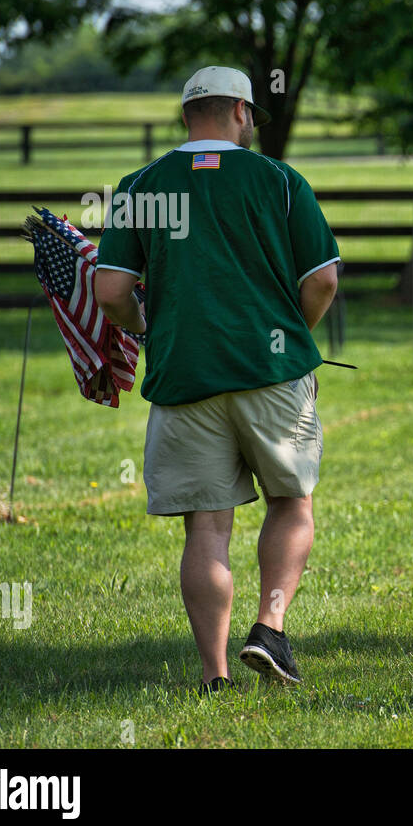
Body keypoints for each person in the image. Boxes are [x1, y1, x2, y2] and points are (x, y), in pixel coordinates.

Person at [94, 65, 340, 695]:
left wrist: (144, 328)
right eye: (252, 116)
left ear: (185, 116)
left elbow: (112, 290)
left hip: (183, 378)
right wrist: (294, 333)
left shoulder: (140, 186)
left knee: (206, 525)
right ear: (240, 112)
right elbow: (323, 281)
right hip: (272, 370)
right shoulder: (279, 180)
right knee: (292, 502)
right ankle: (271, 629)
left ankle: (215, 674)